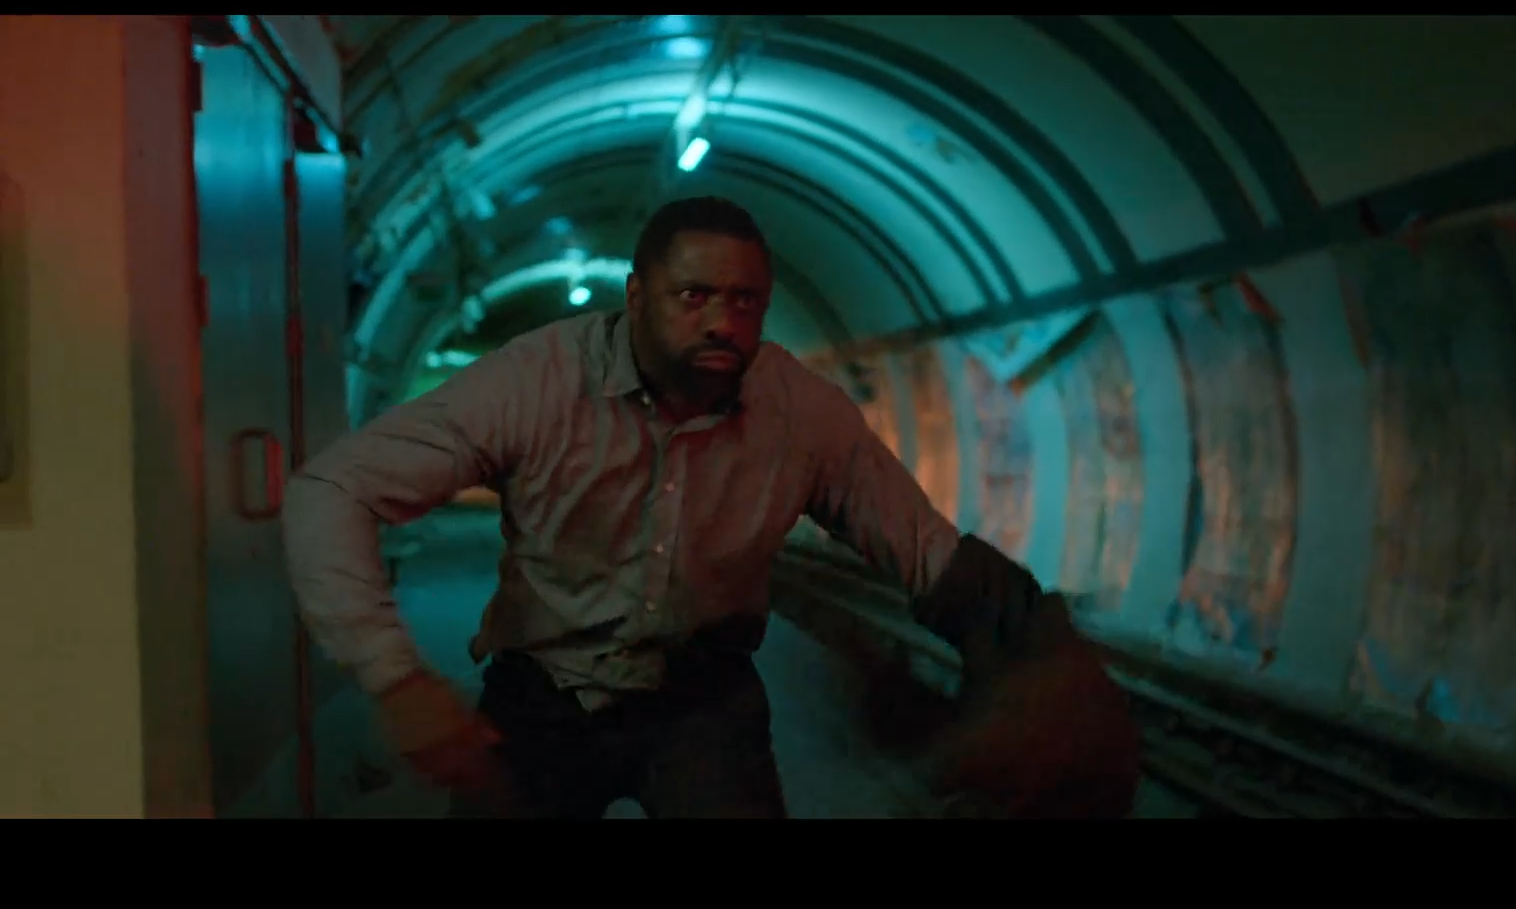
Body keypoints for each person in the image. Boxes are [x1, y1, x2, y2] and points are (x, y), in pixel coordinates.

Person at [283, 195, 1137, 819]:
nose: (722, 322)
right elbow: (332, 490)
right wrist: (395, 676)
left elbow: (922, 547)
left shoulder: (801, 413)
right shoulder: (535, 382)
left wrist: (1035, 647)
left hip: (702, 701)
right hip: (544, 697)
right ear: (635, 296)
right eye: (693, 296)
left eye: (745, 301)